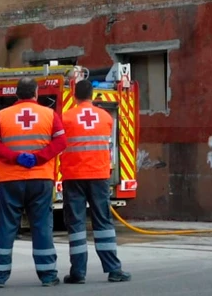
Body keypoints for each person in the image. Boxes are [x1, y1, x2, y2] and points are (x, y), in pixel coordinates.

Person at [0, 77, 67, 288]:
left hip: (10, 180)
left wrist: (15, 157)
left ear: (16, 94)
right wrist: (38, 158)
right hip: (40, 179)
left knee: (6, 228)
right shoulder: (49, 114)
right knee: (41, 227)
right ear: (36, 93)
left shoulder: (2, 116)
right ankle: (48, 275)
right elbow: (61, 142)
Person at [59, 80, 130, 284]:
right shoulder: (106, 117)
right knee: (103, 222)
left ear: (74, 95)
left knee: (76, 224)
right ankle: (114, 269)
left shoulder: (66, 118)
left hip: (73, 177)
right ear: (92, 94)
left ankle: (78, 272)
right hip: (99, 175)